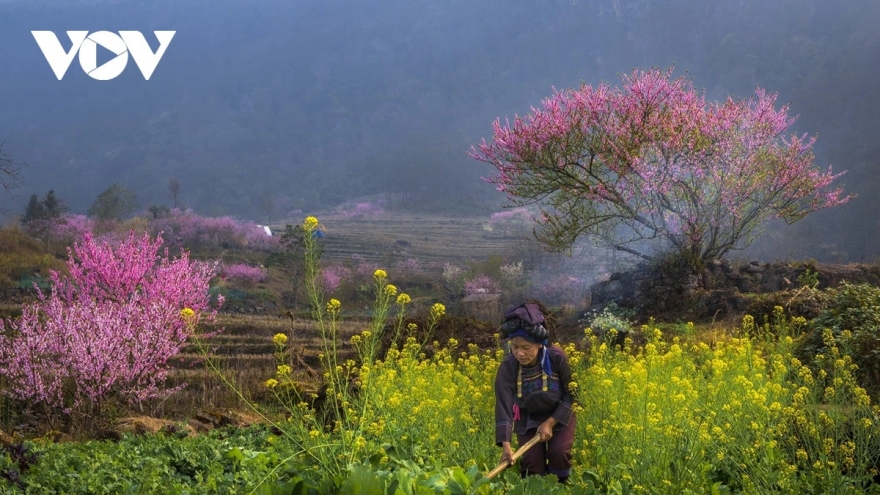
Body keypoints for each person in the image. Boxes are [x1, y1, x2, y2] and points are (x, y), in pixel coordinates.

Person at [494, 302, 576, 483]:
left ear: (539, 344)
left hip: (559, 413)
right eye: (515, 347)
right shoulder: (508, 367)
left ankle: (559, 488)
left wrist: (550, 422)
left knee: (559, 453)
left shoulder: (556, 357)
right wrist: (506, 445)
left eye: (526, 348)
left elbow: (572, 394)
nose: (520, 354)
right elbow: (504, 406)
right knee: (531, 463)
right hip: (528, 418)